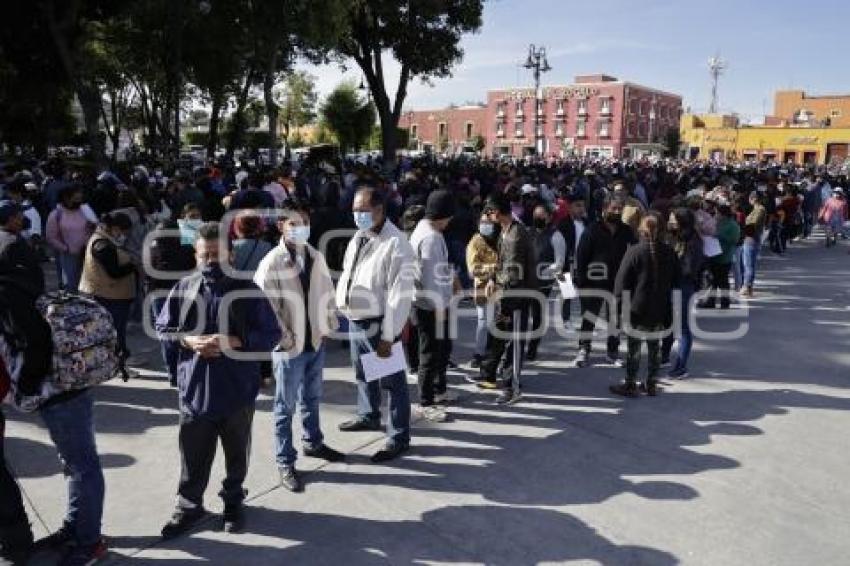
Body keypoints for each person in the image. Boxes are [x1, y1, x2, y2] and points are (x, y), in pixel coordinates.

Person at [156, 223, 281, 537]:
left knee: (236, 454)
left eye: (217, 254)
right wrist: (189, 341)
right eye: (205, 254)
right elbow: (165, 329)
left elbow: (271, 334)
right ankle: (189, 505)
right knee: (193, 455)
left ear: (231, 255)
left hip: (237, 389)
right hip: (194, 389)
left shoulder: (249, 290)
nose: (211, 260)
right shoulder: (183, 288)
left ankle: (233, 501)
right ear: (196, 255)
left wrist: (235, 341)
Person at [254, 201, 345, 494]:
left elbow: (327, 295)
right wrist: (286, 340)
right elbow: (266, 309)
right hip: (289, 347)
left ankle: (313, 442)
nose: (300, 228)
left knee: (313, 397)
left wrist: (327, 325)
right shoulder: (271, 262)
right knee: (285, 406)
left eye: (304, 222)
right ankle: (285, 461)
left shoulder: (315, 255)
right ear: (281, 226)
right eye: (294, 223)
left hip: (315, 342)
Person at [335, 187, 415, 462]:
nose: (358, 216)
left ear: (380, 210)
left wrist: (388, 335)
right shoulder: (360, 236)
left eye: (363, 211)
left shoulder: (396, 243)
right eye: (355, 210)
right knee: (362, 373)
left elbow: (400, 295)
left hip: (380, 324)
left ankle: (398, 436)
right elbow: (349, 272)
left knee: (392, 383)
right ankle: (368, 415)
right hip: (356, 319)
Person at [477, 192, 537, 405]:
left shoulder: (515, 235)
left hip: (517, 296)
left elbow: (513, 272)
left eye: (489, 212)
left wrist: (500, 292)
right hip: (508, 293)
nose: (487, 217)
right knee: (501, 336)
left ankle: (513, 387)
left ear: (496, 212)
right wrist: (494, 278)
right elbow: (501, 263)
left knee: (515, 342)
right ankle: (495, 376)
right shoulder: (505, 230)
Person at [612, 214, 680, 397]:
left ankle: (631, 383)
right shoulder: (670, 252)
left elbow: (620, 285)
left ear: (641, 230)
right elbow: (677, 281)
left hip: (636, 309)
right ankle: (651, 383)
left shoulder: (633, 252)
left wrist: (618, 310)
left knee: (634, 348)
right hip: (659, 308)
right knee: (654, 347)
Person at [573, 196, 636, 368]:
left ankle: (612, 352)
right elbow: (581, 256)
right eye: (614, 208)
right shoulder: (592, 230)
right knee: (589, 317)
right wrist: (581, 281)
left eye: (620, 209)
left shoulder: (626, 231)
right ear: (604, 209)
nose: (617, 211)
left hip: (618, 282)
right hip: (593, 282)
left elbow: (633, 254)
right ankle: (584, 349)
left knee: (615, 319)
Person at [409, 190, 455, 422]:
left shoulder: (425, 229)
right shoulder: (431, 238)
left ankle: (439, 390)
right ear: (441, 215)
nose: (450, 222)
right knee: (430, 353)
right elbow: (429, 276)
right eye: (448, 218)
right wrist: (440, 307)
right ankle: (425, 401)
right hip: (430, 305)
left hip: (427, 301)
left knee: (441, 348)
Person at [79, 212, 137, 381]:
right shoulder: (102, 245)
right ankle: (118, 366)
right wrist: (132, 265)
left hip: (110, 294)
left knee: (113, 332)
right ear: (115, 228)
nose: (124, 235)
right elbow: (114, 272)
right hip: (109, 295)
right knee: (114, 332)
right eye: (123, 231)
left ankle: (119, 361)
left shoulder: (104, 239)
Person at [146, 219, 196, 385]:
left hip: (160, 296)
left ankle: (173, 372)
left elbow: (148, 275)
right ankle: (181, 370)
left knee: (166, 336)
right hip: (182, 295)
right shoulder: (187, 249)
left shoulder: (153, 249)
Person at [661, 208, 704, 378]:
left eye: (672, 219)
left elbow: (688, 269)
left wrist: (669, 266)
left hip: (682, 286)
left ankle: (680, 367)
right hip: (672, 285)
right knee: (668, 324)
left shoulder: (692, 242)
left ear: (682, 222)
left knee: (683, 327)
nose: (669, 222)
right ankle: (664, 356)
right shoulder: (674, 237)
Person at [526, 204, 566, 361]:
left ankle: (533, 347)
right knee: (522, 314)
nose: (538, 218)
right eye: (536, 215)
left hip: (543, 283)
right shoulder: (528, 232)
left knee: (537, 315)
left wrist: (542, 272)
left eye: (542, 215)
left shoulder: (556, 236)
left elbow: (559, 263)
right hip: (526, 280)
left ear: (549, 217)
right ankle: (518, 345)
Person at [46, 184, 95, 292]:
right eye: (76, 195)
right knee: (71, 286)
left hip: (88, 254)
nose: (80, 197)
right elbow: (51, 237)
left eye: (80, 195)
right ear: (66, 197)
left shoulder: (86, 211)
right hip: (68, 257)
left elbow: (95, 227)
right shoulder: (56, 214)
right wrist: (66, 249)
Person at [466, 212, 500, 368]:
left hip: (500, 286)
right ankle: (478, 353)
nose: (486, 225)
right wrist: (494, 269)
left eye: (489, 222)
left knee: (497, 322)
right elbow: (473, 269)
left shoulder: (499, 238)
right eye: (483, 222)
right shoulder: (475, 242)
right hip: (483, 288)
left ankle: (494, 352)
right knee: (483, 322)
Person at [699, 200, 740, 309]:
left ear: (723, 214)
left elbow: (734, 240)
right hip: (713, 254)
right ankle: (711, 301)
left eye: (717, 213)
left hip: (724, 257)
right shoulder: (717, 222)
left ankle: (724, 303)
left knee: (723, 282)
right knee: (713, 281)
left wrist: (719, 236)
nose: (716, 215)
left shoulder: (732, 225)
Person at [0, 201, 45, 294]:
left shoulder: (15, 237)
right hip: (14, 294)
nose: (23, 219)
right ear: (11, 219)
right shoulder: (10, 242)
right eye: (20, 216)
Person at [556, 198, 587, 327]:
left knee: (585, 295)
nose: (581, 209)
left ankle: (586, 323)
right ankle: (566, 320)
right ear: (569, 208)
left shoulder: (587, 223)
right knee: (567, 293)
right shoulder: (563, 224)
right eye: (577, 205)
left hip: (584, 264)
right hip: (567, 263)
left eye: (583, 206)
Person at [741, 192, 766, 298]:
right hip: (749, 238)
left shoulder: (760, 210)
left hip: (752, 239)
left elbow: (752, 224)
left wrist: (742, 227)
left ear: (754, 199)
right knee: (748, 264)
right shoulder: (756, 210)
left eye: (750, 198)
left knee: (749, 265)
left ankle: (747, 286)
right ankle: (747, 286)